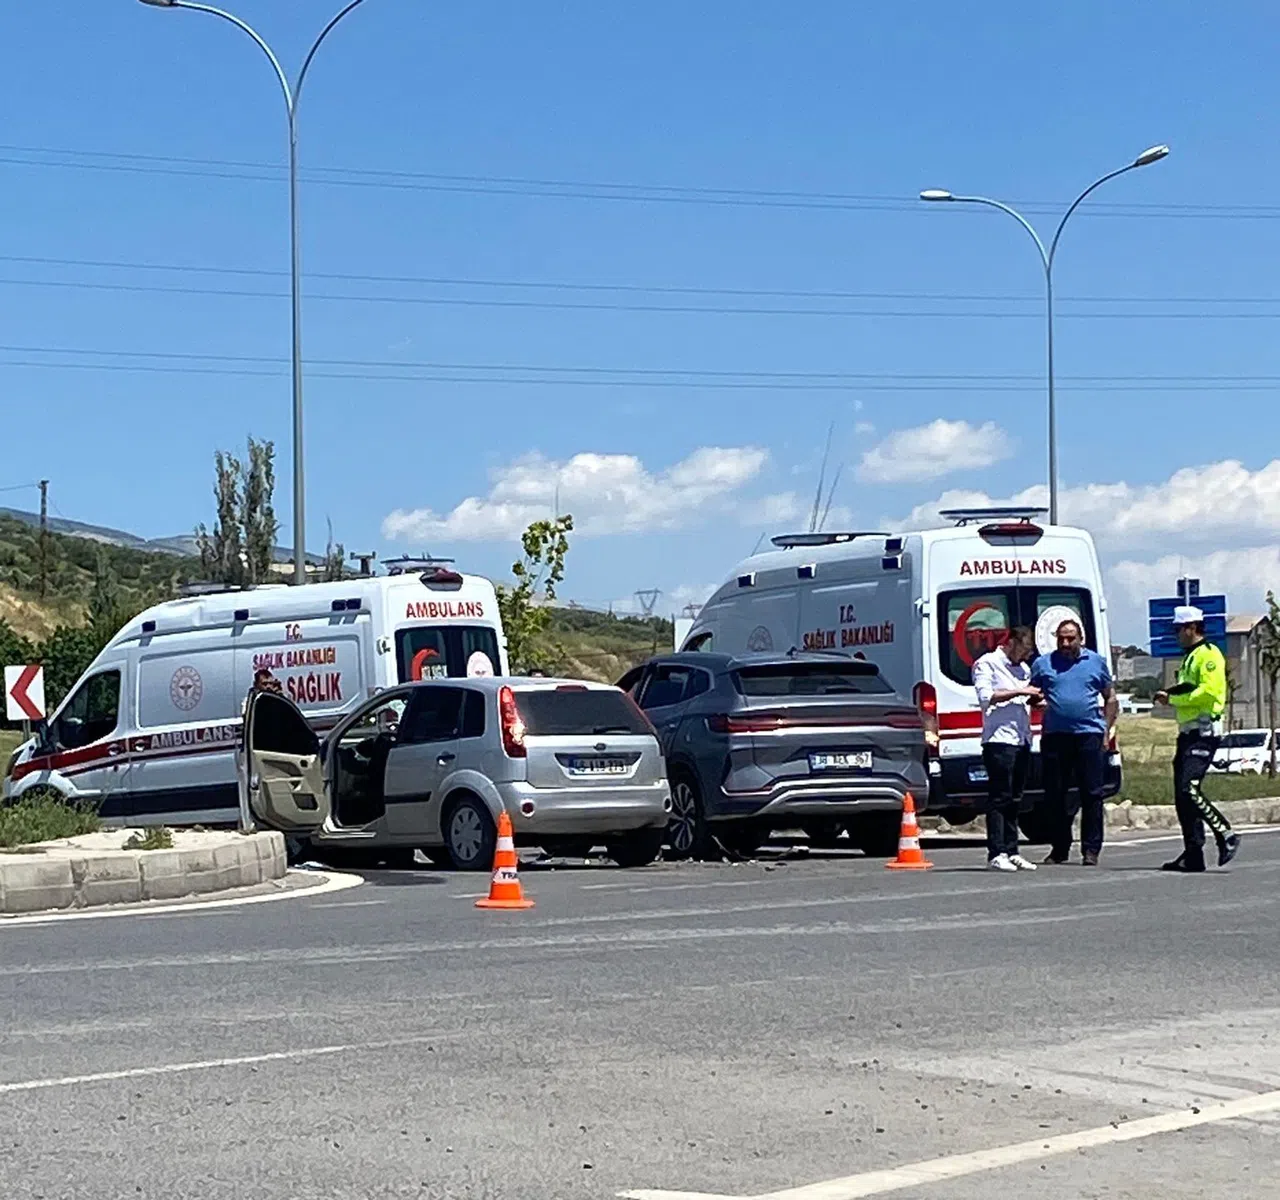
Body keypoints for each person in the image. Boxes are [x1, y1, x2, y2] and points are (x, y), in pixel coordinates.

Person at [1154, 606, 1241, 872]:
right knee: (1182, 796)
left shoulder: (1209, 654)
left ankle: (1225, 833)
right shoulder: (1190, 657)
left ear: (1192, 628)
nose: (1176, 634)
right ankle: (1193, 854)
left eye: (1178, 629)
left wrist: (1174, 700)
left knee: (1189, 789)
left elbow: (1208, 692)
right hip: (1187, 733)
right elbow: (1190, 686)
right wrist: (1168, 693)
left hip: (1204, 733)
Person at [1031, 618, 1118, 866]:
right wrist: (1037, 702)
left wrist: (1106, 731)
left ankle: (1091, 849)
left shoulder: (1096, 662)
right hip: (1055, 736)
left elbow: (1110, 698)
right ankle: (1059, 848)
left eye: (1070, 638)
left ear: (1081, 639)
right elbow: (1032, 694)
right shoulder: (1043, 664)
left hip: (1089, 735)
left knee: (1092, 794)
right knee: (1055, 794)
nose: (1065, 643)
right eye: (1061, 638)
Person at [972, 625, 1041, 872]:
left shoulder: (1023, 669)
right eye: (1025, 649)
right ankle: (996, 851)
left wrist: (1035, 699)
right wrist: (1020, 690)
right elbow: (986, 696)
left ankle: (1012, 850)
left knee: (1015, 797)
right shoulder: (987, 663)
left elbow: (1024, 699)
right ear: (1011, 642)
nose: (1026, 655)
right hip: (999, 740)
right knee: (999, 796)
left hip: (1021, 738)